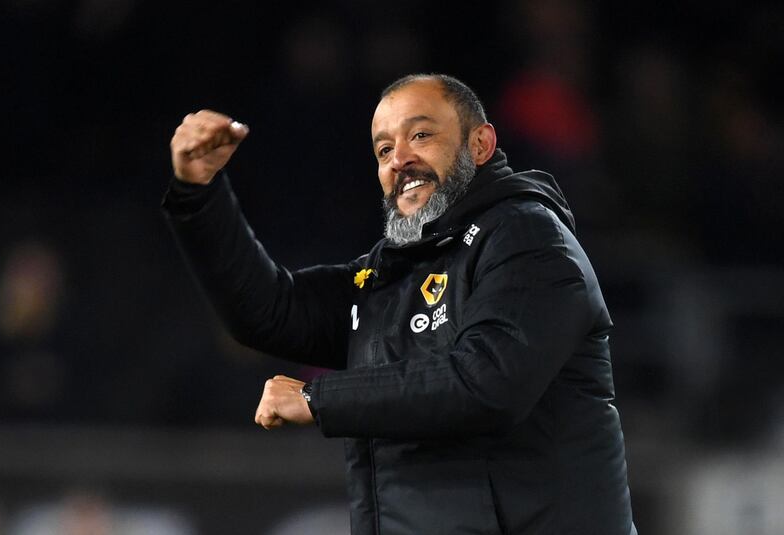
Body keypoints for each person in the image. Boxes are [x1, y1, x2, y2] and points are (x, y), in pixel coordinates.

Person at [163, 74, 637, 535]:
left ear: (480, 145)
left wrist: (318, 398)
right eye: (384, 149)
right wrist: (199, 193)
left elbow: (488, 383)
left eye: (421, 135)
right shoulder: (388, 275)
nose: (400, 159)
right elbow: (270, 312)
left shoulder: (527, 237)